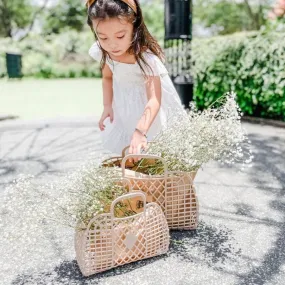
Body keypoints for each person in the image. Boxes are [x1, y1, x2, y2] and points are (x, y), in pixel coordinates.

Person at [86, 0, 185, 160]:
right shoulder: (105, 53)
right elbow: (107, 78)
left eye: (120, 36)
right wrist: (107, 106)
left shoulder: (146, 59)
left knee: (155, 155)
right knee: (128, 155)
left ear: (135, 26)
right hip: (124, 107)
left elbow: (154, 100)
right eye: (103, 38)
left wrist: (140, 131)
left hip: (148, 112)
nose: (112, 44)